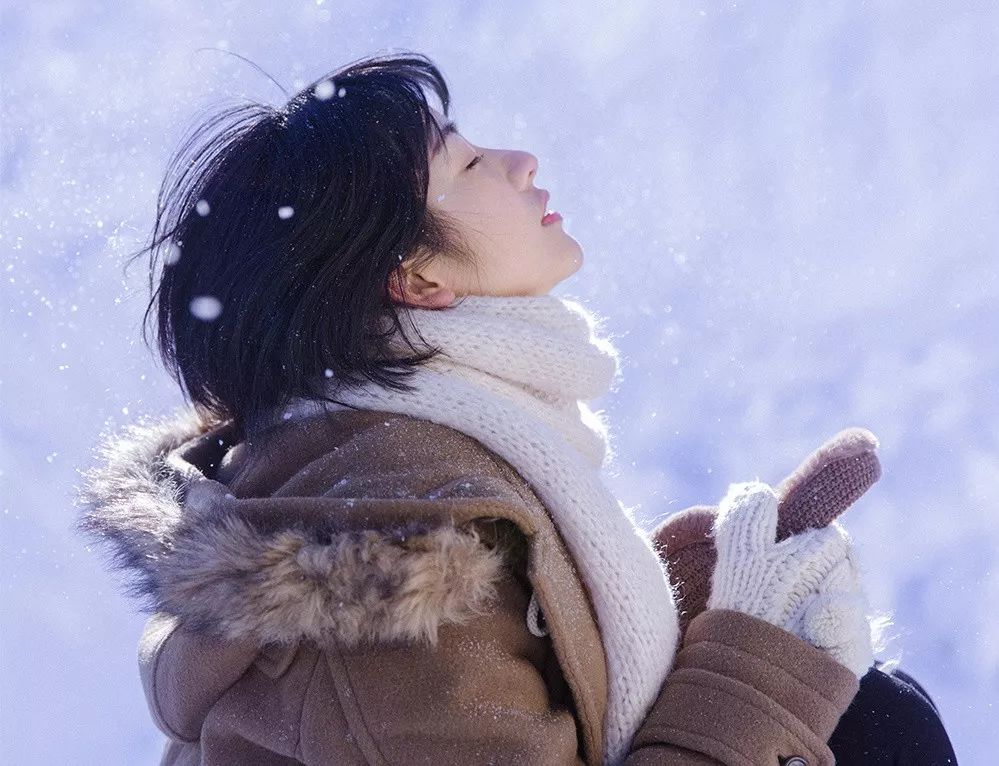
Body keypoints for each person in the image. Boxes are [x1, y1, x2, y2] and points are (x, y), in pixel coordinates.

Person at [77, 53, 957, 765]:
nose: (517, 161)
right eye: (463, 164)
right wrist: (755, 666)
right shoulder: (395, 570)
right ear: (416, 279)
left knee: (873, 715)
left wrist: (667, 606)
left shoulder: (392, 464)